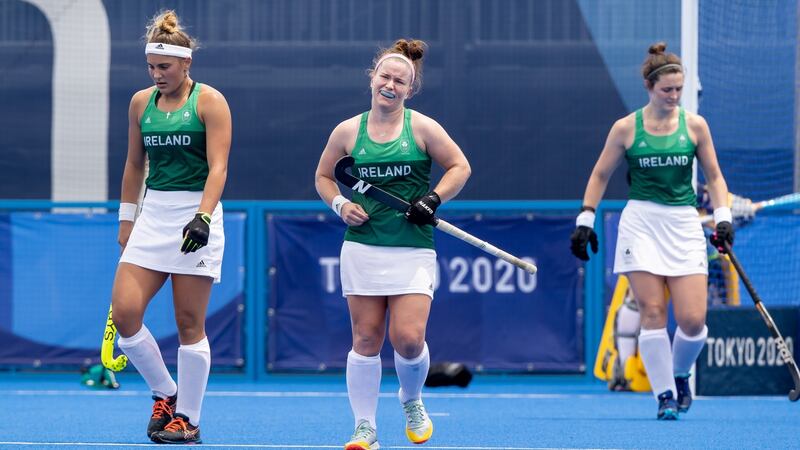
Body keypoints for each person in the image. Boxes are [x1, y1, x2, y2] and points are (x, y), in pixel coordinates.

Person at [315, 38, 471, 449]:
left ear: (409, 88)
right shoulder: (348, 131)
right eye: (385, 76)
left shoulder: (422, 127)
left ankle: (412, 399)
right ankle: (364, 426)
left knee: (408, 339)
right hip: (363, 246)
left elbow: (459, 166)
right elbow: (324, 177)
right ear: (372, 77)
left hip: (412, 246)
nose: (391, 85)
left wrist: (434, 198)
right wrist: (339, 205)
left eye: (400, 81)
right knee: (366, 339)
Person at [570, 42, 733, 420]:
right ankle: (663, 396)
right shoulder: (626, 128)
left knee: (693, 321)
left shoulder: (695, 126)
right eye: (667, 90)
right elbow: (599, 175)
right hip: (642, 223)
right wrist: (585, 220)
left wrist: (723, 217)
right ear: (649, 86)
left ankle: (679, 375)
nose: (674, 96)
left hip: (683, 222)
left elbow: (714, 175)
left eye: (679, 89)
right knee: (653, 312)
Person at [110, 10, 231, 444]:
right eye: (151, 67)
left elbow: (218, 167)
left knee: (187, 323)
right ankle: (166, 393)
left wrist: (202, 215)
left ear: (186, 65)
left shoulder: (210, 102)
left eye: (164, 67)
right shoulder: (140, 102)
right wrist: (127, 219)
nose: (157, 74)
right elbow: (133, 163)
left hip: (196, 214)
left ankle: (190, 419)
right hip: (153, 215)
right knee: (125, 315)